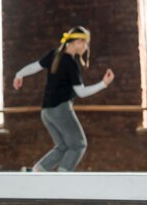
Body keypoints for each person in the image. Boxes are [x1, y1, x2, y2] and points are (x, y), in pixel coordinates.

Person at [12, 26, 114, 172]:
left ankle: (36, 172)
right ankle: (62, 178)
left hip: (47, 112)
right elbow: (81, 93)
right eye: (85, 44)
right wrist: (103, 84)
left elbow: (35, 66)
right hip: (61, 110)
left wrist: (19, 74)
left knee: (63, 146)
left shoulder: (54, 54)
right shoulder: (71, 64)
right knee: (79, 144)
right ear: (78, 42)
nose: (86, 47)